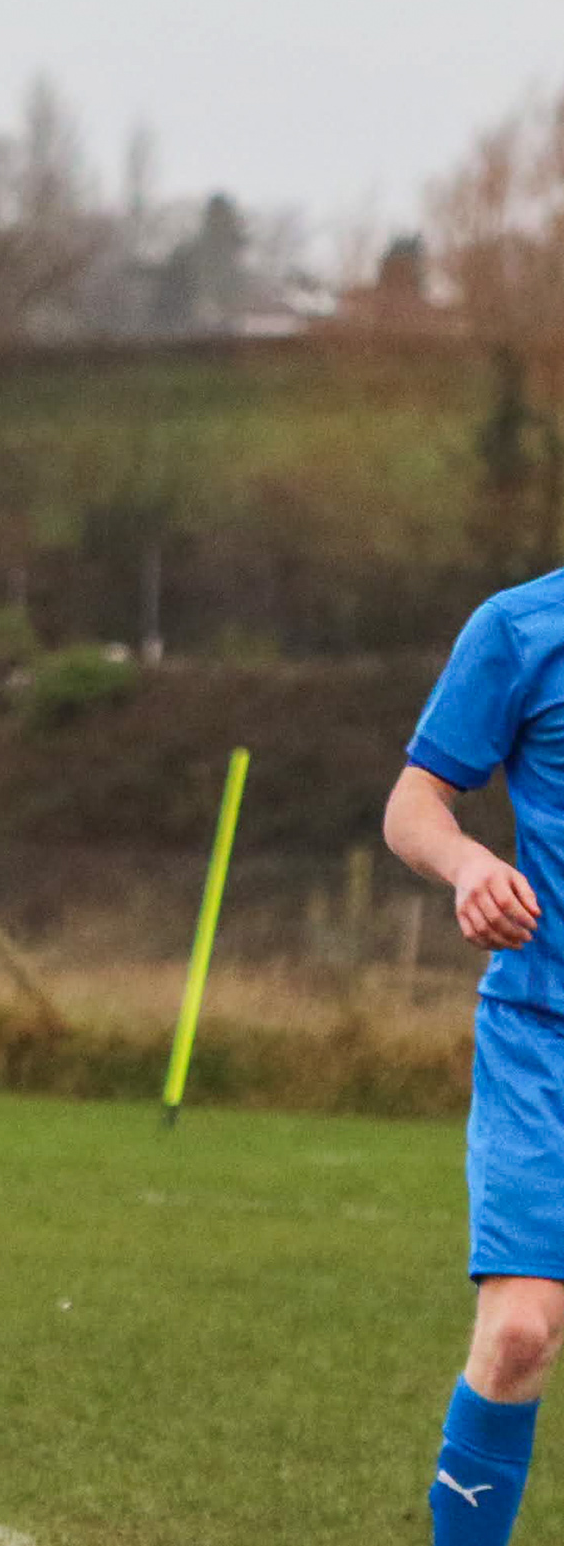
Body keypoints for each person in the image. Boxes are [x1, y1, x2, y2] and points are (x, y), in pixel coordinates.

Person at [387, 569, 564, 1545]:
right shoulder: (520, 628)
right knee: (521, 1331)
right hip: (544, 1033)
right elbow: (413, 804)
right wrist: (469, 864)